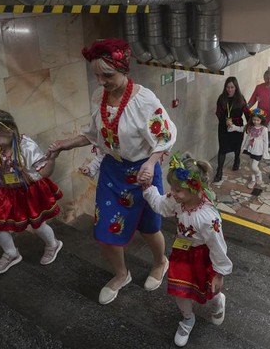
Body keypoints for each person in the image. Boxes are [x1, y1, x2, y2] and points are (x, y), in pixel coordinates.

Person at [48, 38, 176, 305]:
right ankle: (121, 274)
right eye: (96, 75)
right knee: (105, 229)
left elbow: (164, 137)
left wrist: (151, 164)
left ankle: (160, 262)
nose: (101, 81)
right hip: (112, 172)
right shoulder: (99, 97)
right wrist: (64, 145)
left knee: (149, 228)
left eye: (107, 75)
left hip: (142, 172)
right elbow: (95, 135)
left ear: (124, 69)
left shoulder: (144, 100)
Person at [142, 153, 232, 347]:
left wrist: (219, 273)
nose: (173, 193)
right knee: (179, 291)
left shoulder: (208, 218)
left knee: (210, 289)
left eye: (178, 190)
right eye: (172, 188)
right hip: (181, 253)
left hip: (203, 256)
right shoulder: (177, 200)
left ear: (195, 189)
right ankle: (187, 319)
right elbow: (161, 205)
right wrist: (148, 189)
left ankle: (218, 302)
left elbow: (217, 245)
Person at [0, 109, 63, 275]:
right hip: (7, 192)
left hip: (29, 190)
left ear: (8, 131)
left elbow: (43, 172)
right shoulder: (2, 147)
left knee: (37, 225)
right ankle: (11, 253)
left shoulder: (27, 147)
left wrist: (51, 160)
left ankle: (53, 244)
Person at [213, 76, 249, 182]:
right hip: (224, 127)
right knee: (222, 148)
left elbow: (246, 112)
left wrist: (250, 124)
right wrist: (224, 121)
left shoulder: (241, 98)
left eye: (232, 87)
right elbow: (218, 112)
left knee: (237, 146)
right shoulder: (221, 98)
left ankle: (236, 160)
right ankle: (219, 171)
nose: (229, 89)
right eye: (227, 87)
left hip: (237, 127)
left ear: (236, 87)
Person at [241, 108, 270, 189]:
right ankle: (253, 180)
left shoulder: (264, 129)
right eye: (254, 120)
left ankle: (258, 174)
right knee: (250, 166)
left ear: (261, 120)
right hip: (250, 149)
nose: (255, 122)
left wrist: (265, 152)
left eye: (258, 120)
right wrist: (244, 147)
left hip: (258, 150)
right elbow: (248, 138)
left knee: (254, 166)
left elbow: (266, 141)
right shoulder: (250, 127)